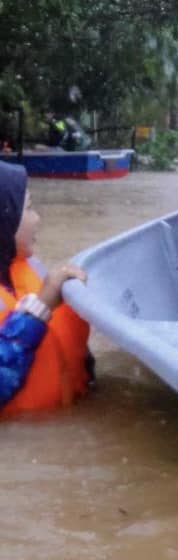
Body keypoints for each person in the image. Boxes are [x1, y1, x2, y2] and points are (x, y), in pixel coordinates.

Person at [0, 162, 91, 416]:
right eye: (28, 208)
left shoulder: (29, 268)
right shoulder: (41, 292)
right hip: (21, 447)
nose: (37, 219)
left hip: (66, 424)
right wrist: (39, 309)